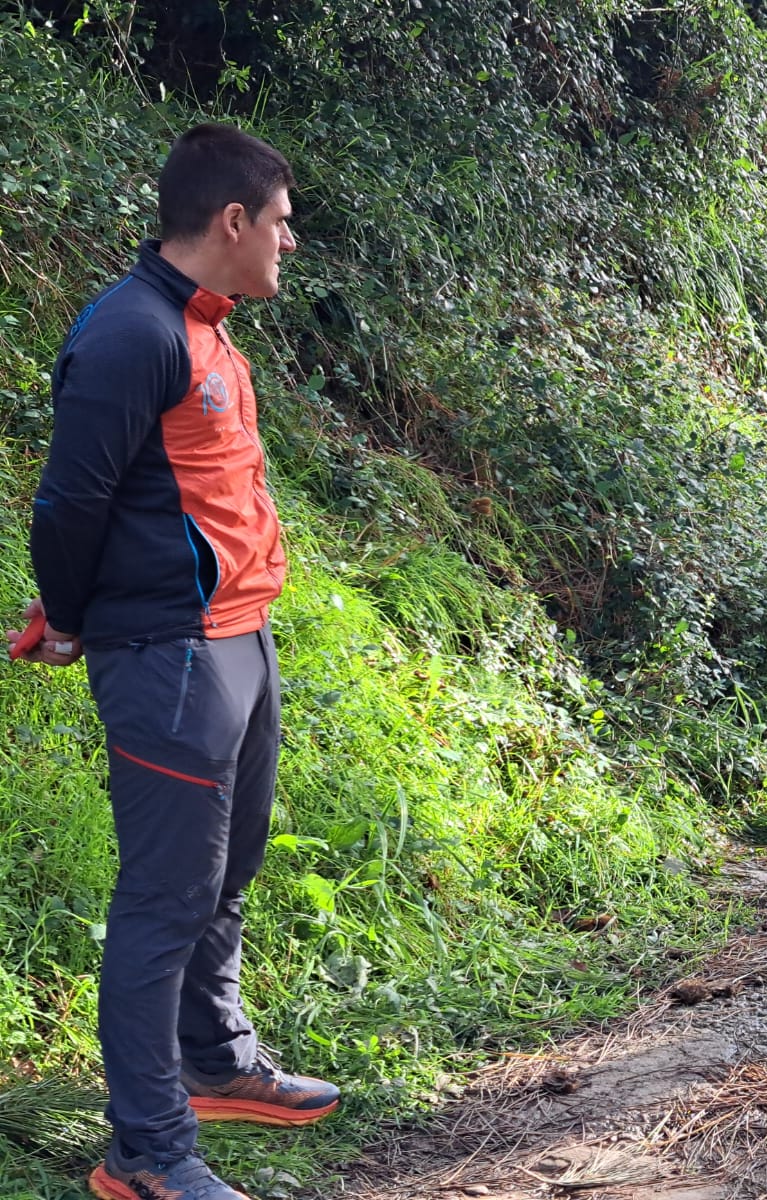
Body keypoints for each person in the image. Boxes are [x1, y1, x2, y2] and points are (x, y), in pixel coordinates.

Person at [7, 124, 339, 1200]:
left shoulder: (209, 328)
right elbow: (69, 503)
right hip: (170, 657)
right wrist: (69, 615)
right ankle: (145, 1152)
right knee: (164, 901)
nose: (290, 243)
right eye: (281, 223)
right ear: (232, 221)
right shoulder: (129, 332)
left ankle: (215, 1060)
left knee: (225, 875)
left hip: (242, 639)